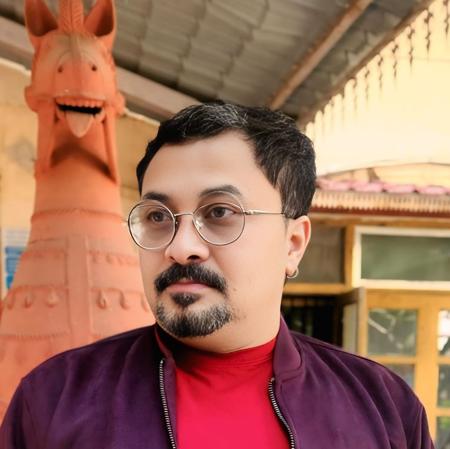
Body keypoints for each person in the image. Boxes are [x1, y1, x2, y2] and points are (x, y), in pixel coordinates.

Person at [0, 103, 433, 449]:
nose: (180, 246)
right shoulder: (55, 400)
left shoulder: (383, 409)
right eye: (158, 216)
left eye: (220, 212)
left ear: (293, 243)